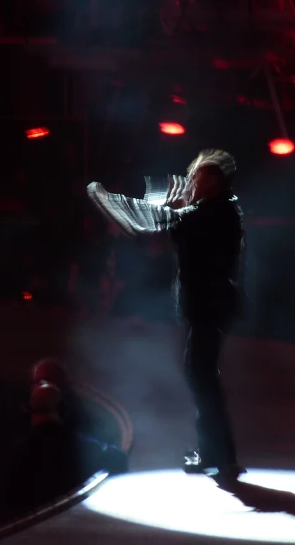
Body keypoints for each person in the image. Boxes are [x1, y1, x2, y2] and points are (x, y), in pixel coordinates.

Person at [87, 149, 246, 486]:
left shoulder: (209, 213)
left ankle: (218, 454)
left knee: (201, 378)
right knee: (202, 377)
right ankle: (219, 452)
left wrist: (110, 200)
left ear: (215, 180)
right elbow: (166, 222)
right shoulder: (220, 209)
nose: (193, 181)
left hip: (208, 306)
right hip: (209, 305)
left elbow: (152, 218)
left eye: (200, 176)